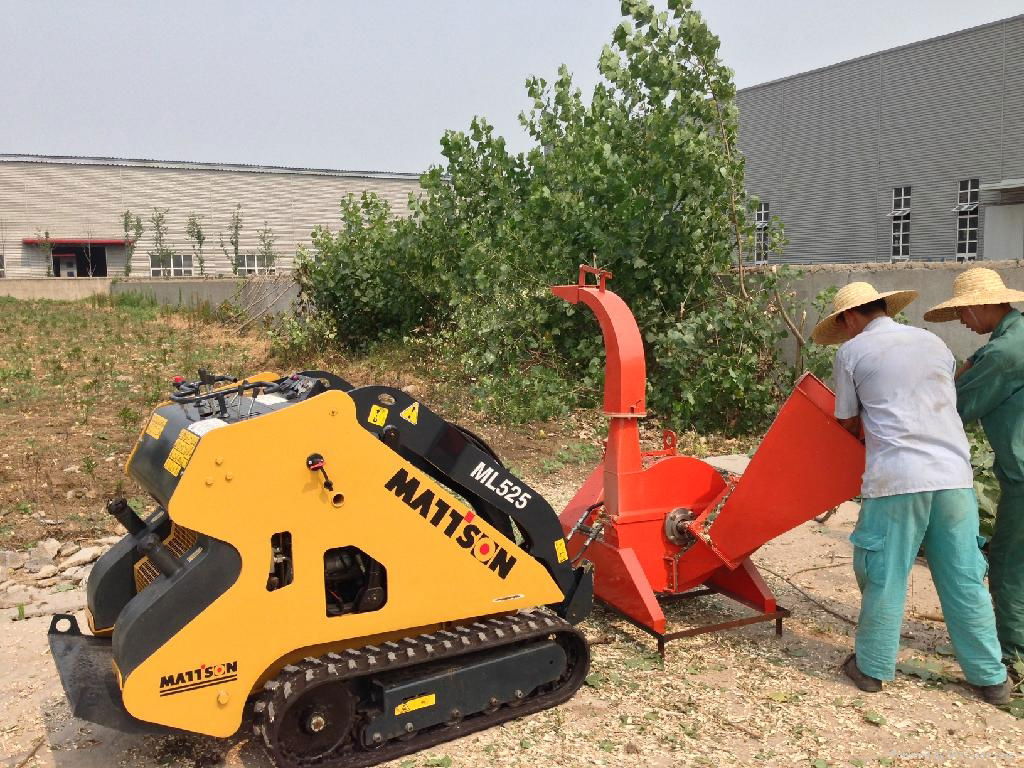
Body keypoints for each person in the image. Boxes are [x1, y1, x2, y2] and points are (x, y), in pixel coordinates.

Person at [812, 281, 1009, 705]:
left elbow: (846, 421)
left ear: (849, 318)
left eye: (843, 324)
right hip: (954, 477)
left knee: (884, 574)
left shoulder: (852, 352)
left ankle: (871, 667)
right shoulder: (933, 341)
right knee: (964, 577)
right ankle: (991, 678)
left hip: (898, 479)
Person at [924, 267, 1024, 678]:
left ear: (985, 305)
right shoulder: (1011, 341)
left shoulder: (1003, 354)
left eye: (964, 312)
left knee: (1008, 560)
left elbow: (957, 408)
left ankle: (1013, 655)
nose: (963, 321)